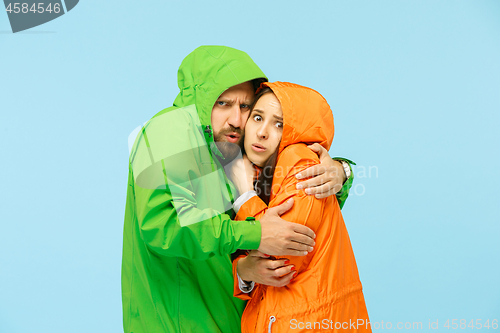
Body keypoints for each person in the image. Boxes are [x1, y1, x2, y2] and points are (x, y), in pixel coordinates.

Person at [122, 46, 356, 332]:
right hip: (178, 322)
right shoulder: (168, 132)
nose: (236, 119)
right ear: (201, 100)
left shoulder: (230, 150)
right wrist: (256, 234)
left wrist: (341, 171)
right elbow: (166, 226)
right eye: (223, 103)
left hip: (234, 318)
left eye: (246, 107)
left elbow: (288, 211)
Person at [229, 82, 371, 332]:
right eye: (258, 117)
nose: (262, 132)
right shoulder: (254, 169)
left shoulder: (299, 164)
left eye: (279, 124)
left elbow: (279, 255)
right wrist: (243, 269)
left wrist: (244, 197)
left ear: (296, 131)